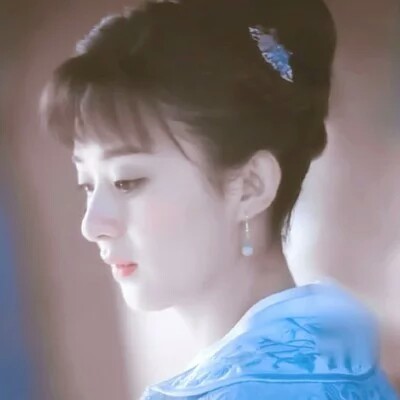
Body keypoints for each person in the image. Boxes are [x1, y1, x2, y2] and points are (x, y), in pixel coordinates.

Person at [39, 0, 399, 398]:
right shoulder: (349, 357)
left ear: (250, 186)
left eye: (127, 181)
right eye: (87, 185)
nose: (92, 225)